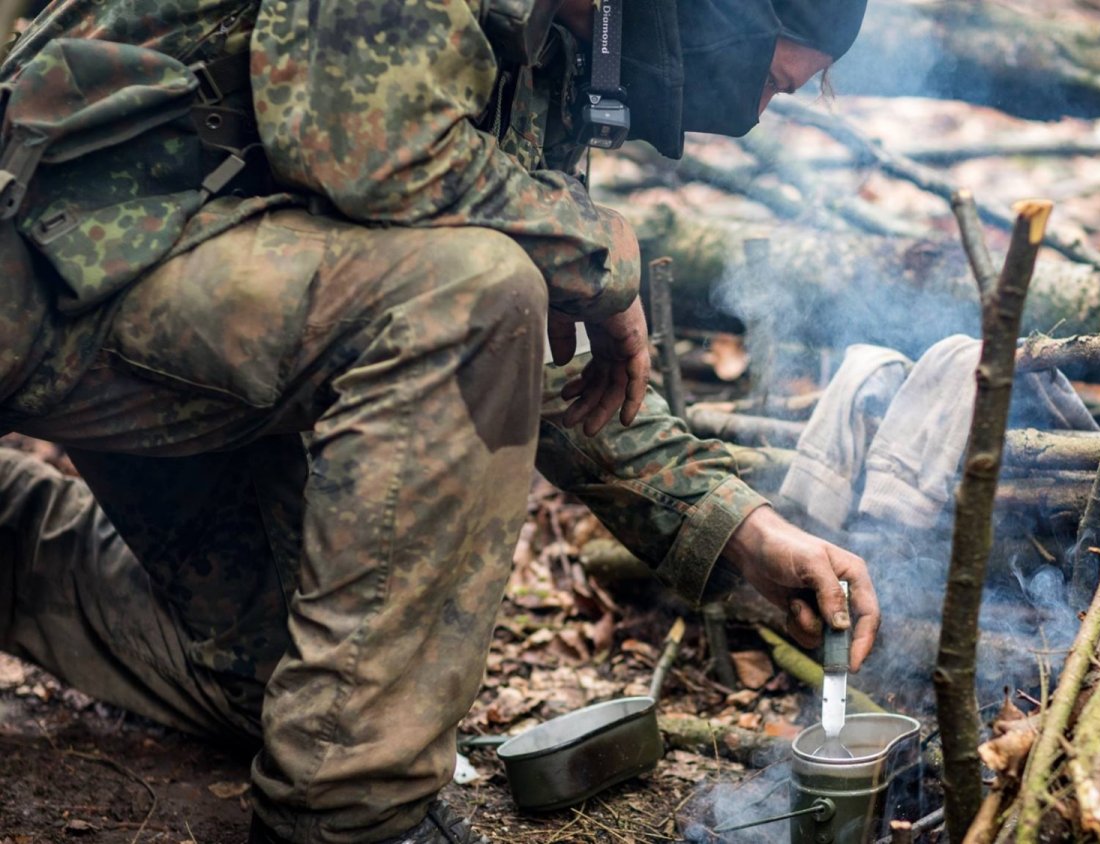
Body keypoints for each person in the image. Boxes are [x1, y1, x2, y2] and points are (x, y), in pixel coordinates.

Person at [0, 0, 877, 841]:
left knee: (301, 701)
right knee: (478, 293)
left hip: (160, 311)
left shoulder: (548, 54)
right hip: (44, 269)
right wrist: (597, 254)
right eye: (774, 80)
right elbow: (371, 154)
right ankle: (348, 827)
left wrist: (740, 530)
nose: (761, 109)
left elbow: (534, 367)